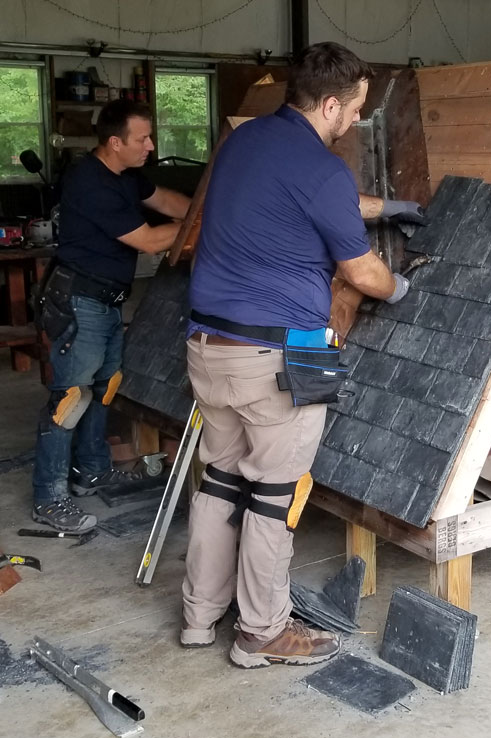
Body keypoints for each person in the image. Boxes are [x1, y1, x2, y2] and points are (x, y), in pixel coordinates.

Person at [182, 41, 424, 669]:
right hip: (282, 353)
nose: (358, 122)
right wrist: (402, 288)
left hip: (208, 347)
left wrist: (389, 208)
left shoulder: (245, 141)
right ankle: (262, 632)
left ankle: (200, 616)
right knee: (273, 495)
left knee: (220, 481)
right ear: (329, 103)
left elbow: (305, 201)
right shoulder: (323, 171)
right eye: (355, 110)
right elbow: (363, 272)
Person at [32, 99, 191, 533]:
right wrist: (217, 221)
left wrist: (201, 208)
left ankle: (92, 471)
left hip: (106, 299)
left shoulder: (127, 175)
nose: (151, 146)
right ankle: (49, 497)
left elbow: (169, 202)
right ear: (115, 141)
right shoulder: (89, 182)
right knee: (70, 398)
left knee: (104, 390)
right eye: (142, 139)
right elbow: (150, 241)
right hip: (79, 300)